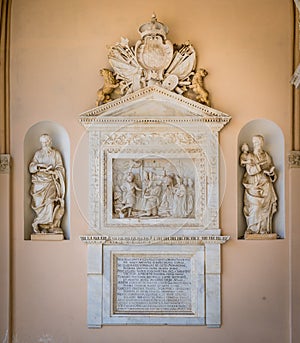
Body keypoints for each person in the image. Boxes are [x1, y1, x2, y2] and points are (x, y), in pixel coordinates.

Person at [241, 135, 277, 235]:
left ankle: (263, 230)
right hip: (253, 185)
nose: (257, 145)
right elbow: (250, 171)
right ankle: (253, 229)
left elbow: (271, 168)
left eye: (259, 143)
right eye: (255, 143)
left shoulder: (266, 156)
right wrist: (260, 167)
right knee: (255, 207)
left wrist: (272, 174)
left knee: (266, 208)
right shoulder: (250, 156)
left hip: (266, 184)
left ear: (262, 143)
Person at [29, 134, 65, 234]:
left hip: (50, 182)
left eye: (46, 142)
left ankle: (50, 226)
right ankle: (40, 225)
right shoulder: (38, 154)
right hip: (39, 184)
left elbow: (60, 168)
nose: (44, 144)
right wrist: (39, 166)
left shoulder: (56, 154)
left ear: (50, 142)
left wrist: (54, 171)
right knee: (40, 205)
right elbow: (31, 168)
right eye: (43, 143)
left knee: (50, 203)